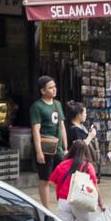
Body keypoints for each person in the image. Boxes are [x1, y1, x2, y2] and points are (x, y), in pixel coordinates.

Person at [49, 140, 105, 221]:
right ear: (86, 152)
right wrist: (100, 204)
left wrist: (61, 187)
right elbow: (95, 187)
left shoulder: (62, 164)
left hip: (63, 201)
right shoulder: (88, 166)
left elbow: (51, 182)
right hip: (80, 201)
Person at [31, 75, 67, 207]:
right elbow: (36, 130)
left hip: (58, 148)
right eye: (50, 88)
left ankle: (62, 204)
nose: (54, 89)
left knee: (62, 177)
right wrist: (39, 151)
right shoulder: (37, 107)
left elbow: (62, 126)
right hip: (45, 147)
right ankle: (46, 209)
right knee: (44, 179)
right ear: (43, 91)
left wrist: (65, 146)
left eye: (54, 87)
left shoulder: (57, 104)